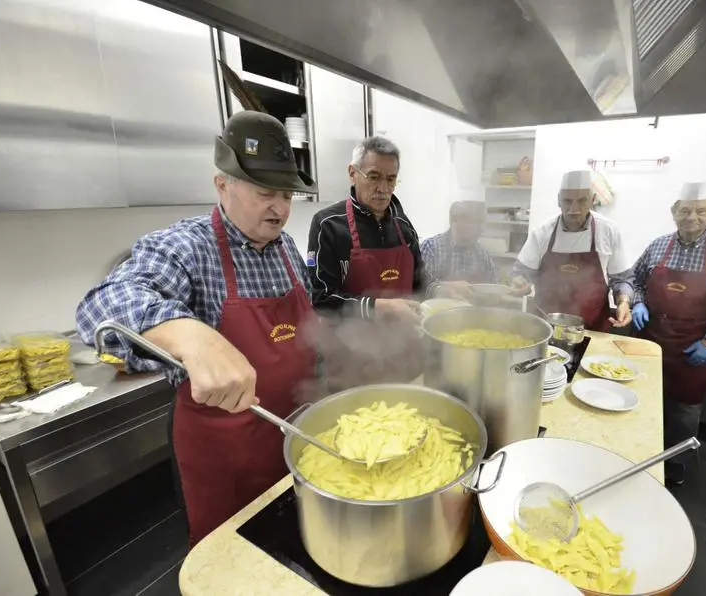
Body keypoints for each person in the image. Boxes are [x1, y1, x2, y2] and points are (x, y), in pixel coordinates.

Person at [75, 111, 319, 546]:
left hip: (297, 444)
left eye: (286, 194)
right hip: (228, 460)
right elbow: (102, 306)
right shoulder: (185, 247)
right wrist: (188, 333)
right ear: (222, 184)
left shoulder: (287, 248)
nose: (280, 207)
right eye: (265, 192)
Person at [307, 136, 467, 389]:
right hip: (352, 365)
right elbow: (322, 300)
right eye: (373, 176)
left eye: (391, 179)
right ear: (353, 173)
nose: (383, 188)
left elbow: (419, 281)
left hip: (405, 359)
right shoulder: (328, 224)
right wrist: (382, 307)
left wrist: (441, 289)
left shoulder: (403, 226)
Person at [631, 182, 706, 486]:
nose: (692, 216)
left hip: (692, 345)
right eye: (685, 210)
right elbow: (634, 279)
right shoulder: (657, 246)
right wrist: (639, 302)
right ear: (674, 213)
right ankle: (637, 455)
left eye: (700, 210)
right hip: (651, 339)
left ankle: (676, 463)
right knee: (641, 400)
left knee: (684, 409)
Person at [511, 170, 633, 330]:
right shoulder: (542, 233)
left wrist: (623, 302)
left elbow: (622, 279)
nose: (573, 209)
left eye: (582, 201)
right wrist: (519, 283)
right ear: (558, 201)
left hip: (592, 329)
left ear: (592, 200)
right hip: (545, 328)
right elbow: (521, 272)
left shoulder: (608, 231)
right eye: (567, 201)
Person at [420, 200, 498, 284]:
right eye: (473, 221)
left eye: (481, 223)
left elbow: (493, 286)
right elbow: (420, 286)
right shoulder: (431, 248)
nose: (479, 228)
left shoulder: (483, 255)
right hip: (439, 297)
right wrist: (447, 287)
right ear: (453, 221)